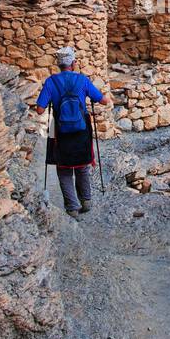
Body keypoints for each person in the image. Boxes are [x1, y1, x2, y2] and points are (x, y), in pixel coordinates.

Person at [37, 46, 110, 216]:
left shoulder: (51, 82)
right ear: (73, 63)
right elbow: (103, 100)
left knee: (64, 168)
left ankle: (72, 208)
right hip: (81, 130)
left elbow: (40, 110)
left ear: (59, 64)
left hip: (61, 131)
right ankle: (86, 201)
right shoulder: (82, 80)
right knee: (82, 165)